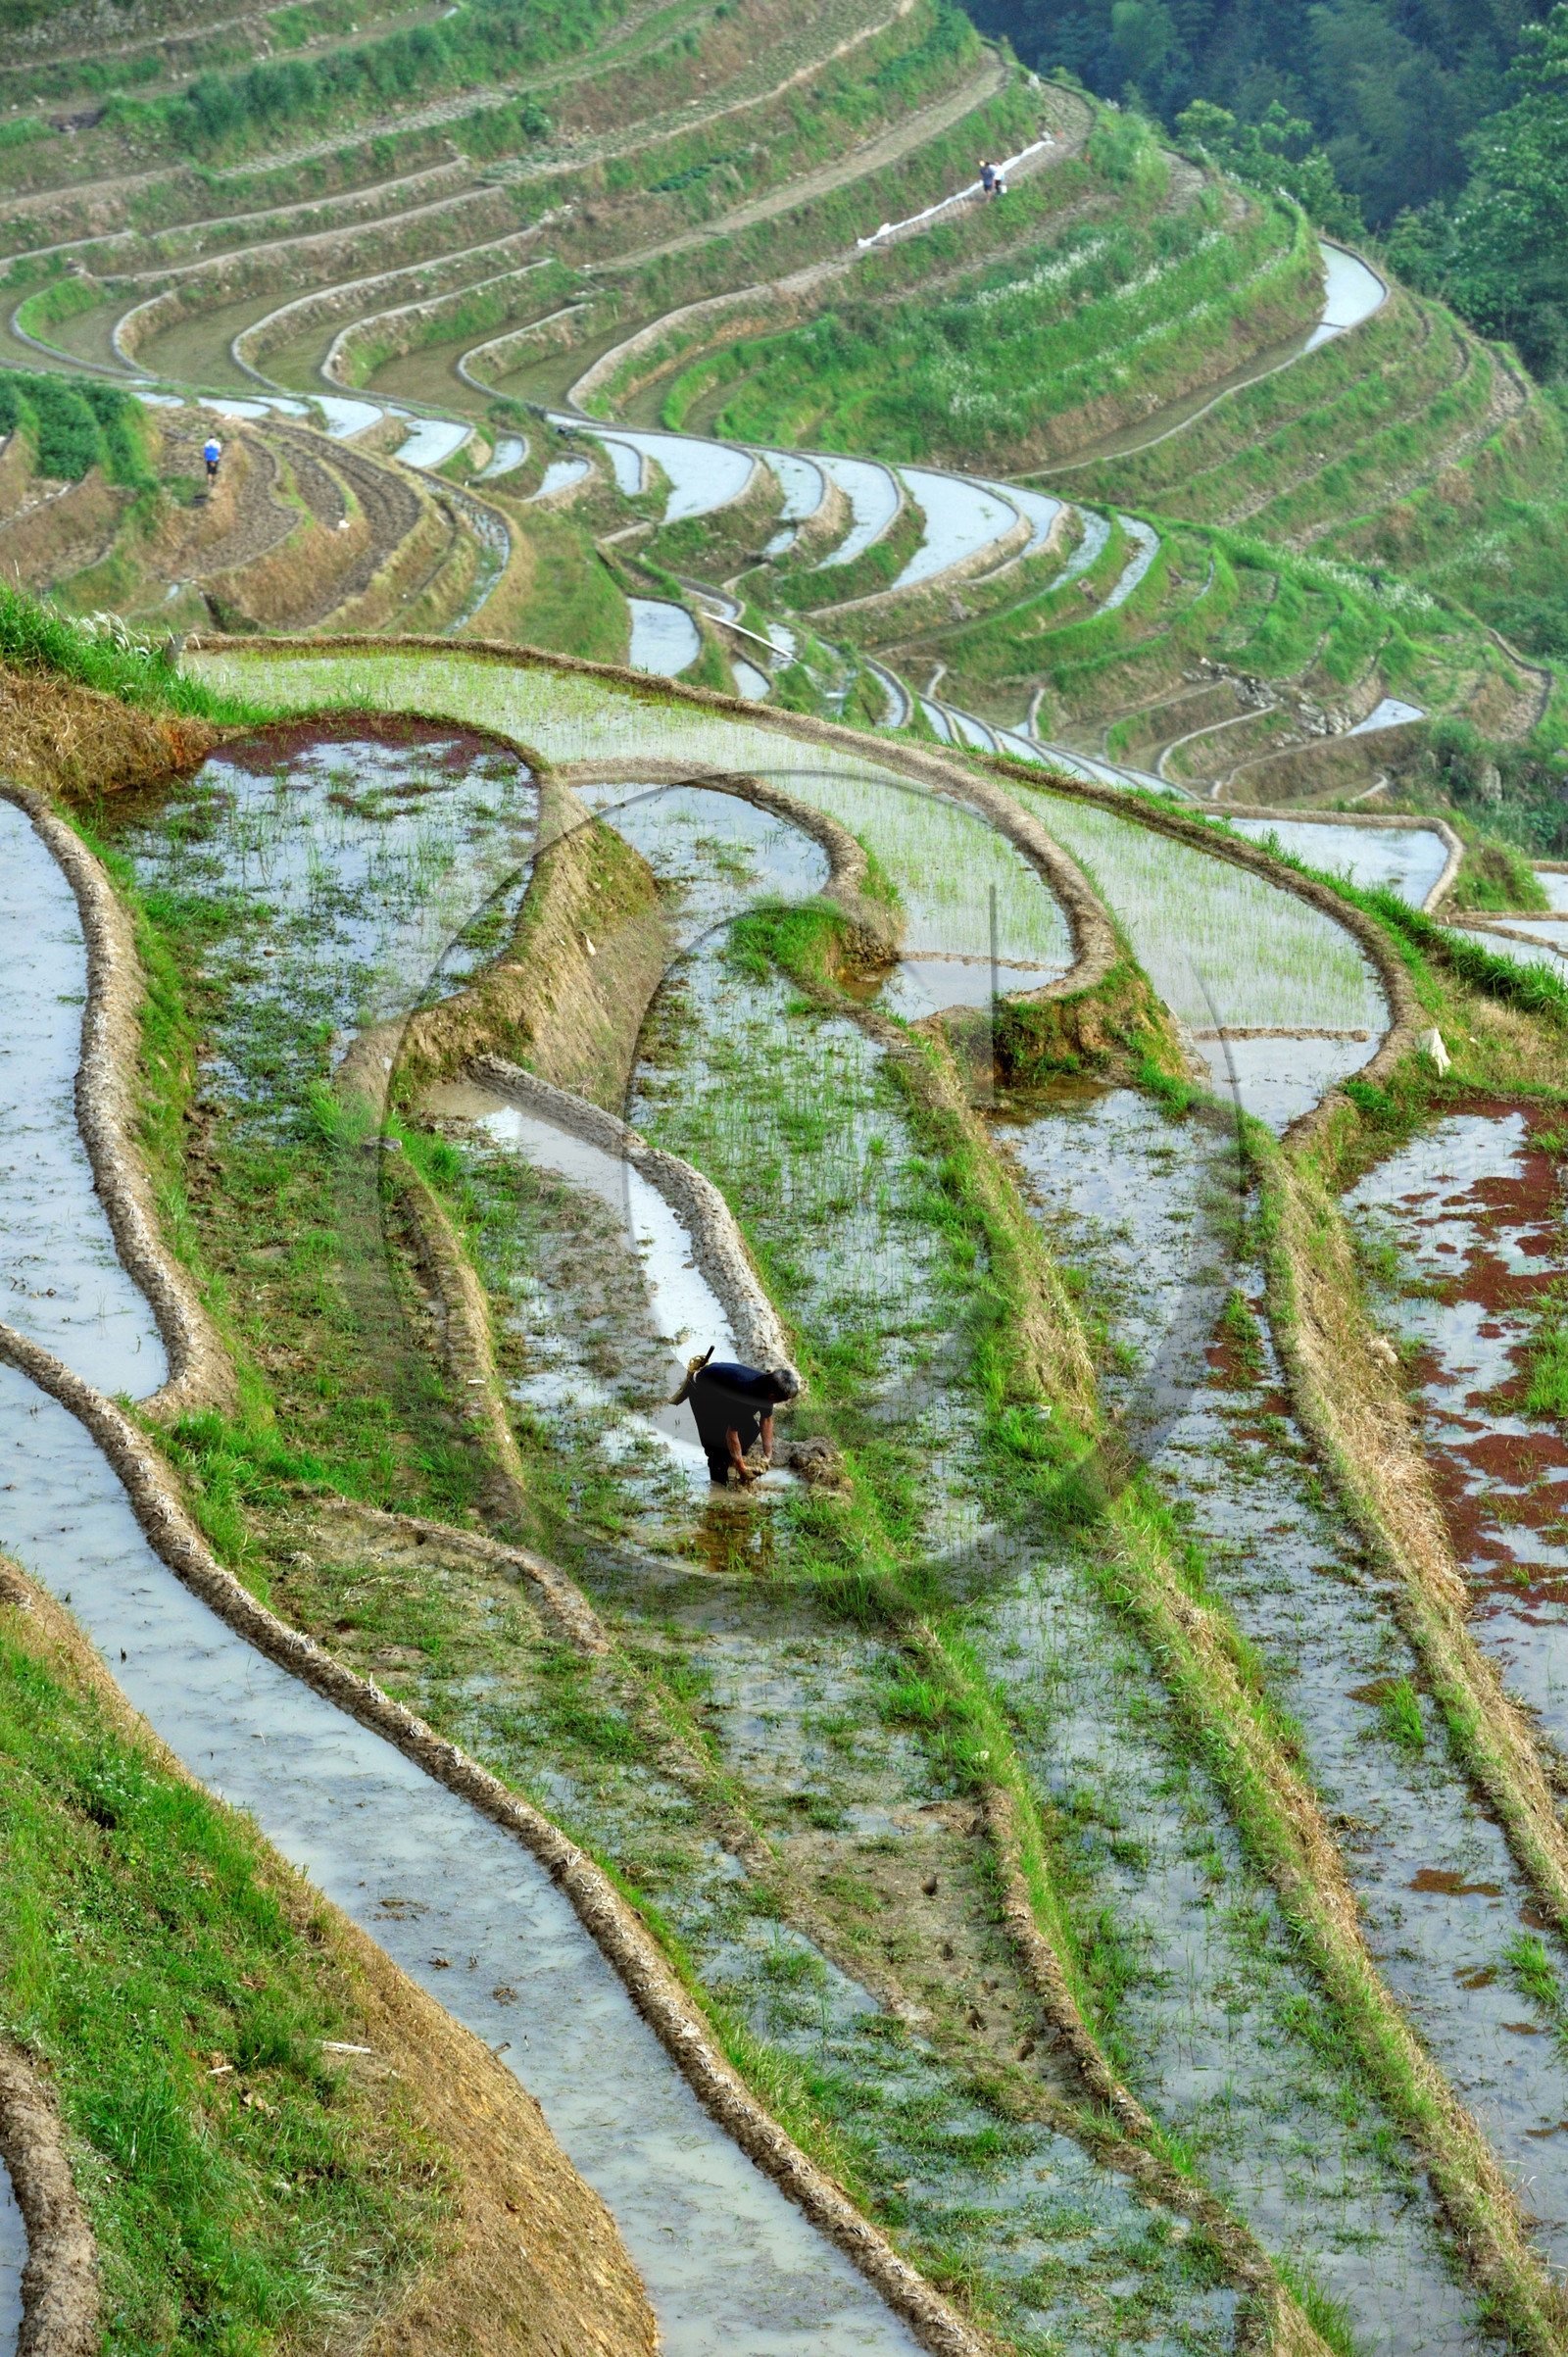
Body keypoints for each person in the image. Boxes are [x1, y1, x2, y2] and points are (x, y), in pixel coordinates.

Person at [673, 1348, 800, 1486]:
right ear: (772, 1397)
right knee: (717, 1449)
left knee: (750, 1431)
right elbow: (732, 1434)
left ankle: (732, 1459)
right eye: (783, 1400)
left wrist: (767, 1455)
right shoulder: (746, 1396)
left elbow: (767, 1420)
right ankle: (719, 1487)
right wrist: (742, 1468)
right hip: (703, 1393)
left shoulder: (768, 1386)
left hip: (724, 1389)